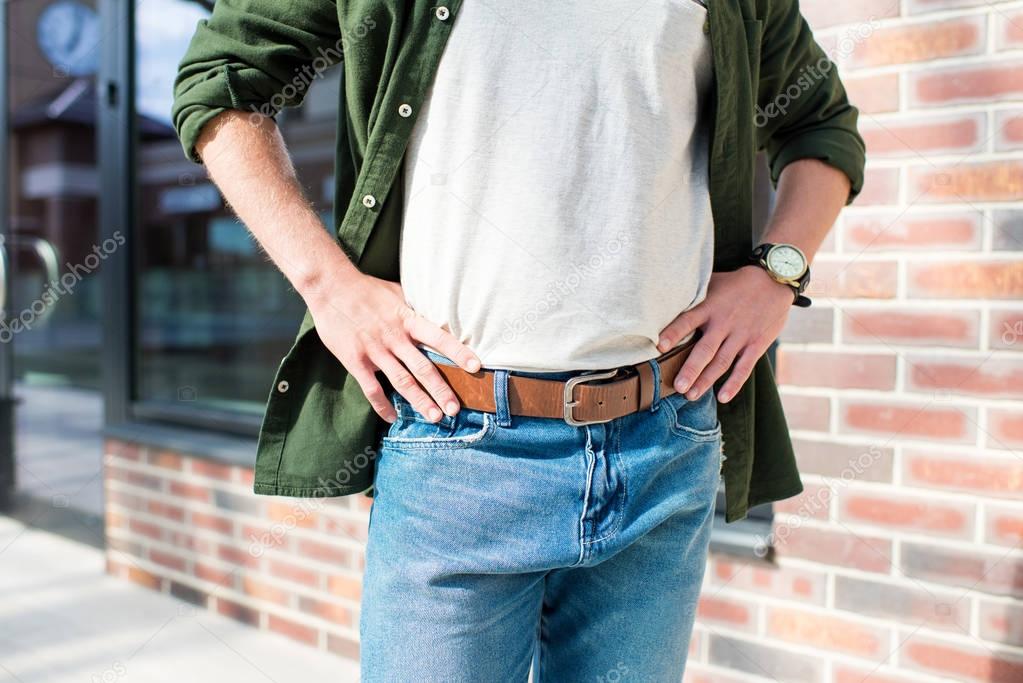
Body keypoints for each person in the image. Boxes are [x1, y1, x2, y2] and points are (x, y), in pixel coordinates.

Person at [172, 1, 865, 680]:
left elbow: (820, 124)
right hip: (458, 448)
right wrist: (328, 286)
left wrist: (778, 272)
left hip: (664, 443)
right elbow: (222, 78)